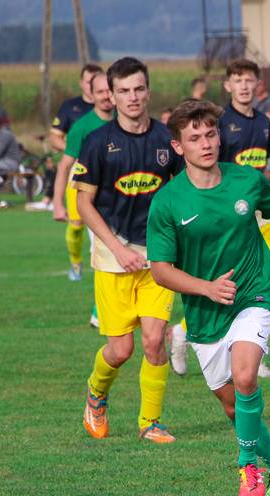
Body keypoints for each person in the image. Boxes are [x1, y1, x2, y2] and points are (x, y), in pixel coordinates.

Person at [147, 99, 270, 496]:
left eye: (211, 134)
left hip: (253, 291)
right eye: (195, 138)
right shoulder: (168, 201)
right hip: (205, 312)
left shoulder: (246, 180)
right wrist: (206, 288)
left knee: (246, 377)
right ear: (178, 147)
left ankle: (247, 465)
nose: (206, 143)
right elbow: (160, 270)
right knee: (233, 407)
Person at [72, 57, 184, 444]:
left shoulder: (166, 139)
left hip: (158, 256)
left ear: (148, 91)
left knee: (154, 340)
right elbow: (84, 203)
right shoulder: (97, 142)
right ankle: (96, 393)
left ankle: (150, 422)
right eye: (123, 91)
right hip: (113, 257)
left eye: (138, 89)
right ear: (112, 96)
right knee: (120, 350)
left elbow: (181, 192)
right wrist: (118, 249)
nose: (132, 97)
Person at [167, 58, 270, 379]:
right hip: (226, 221)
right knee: (229, 286)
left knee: (263, 284)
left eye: (249, 80)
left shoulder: (264, 123)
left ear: (257, 84)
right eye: (238, 80)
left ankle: (253, 355)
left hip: (259, 216)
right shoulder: (219, 124)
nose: (244, 86)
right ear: (228, 86)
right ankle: (184, 332)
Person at [52, 70, 115, 284]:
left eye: (108, 91)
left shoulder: (126, 121)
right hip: (86, 191)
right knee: (85, 234)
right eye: (100, 92)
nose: (106, 96)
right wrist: (57, 203)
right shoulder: (82, 127)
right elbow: (64, 166)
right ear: (91, 94)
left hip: (120, 194)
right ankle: (76, 263)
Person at [49, 63, 102, 153]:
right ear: (81, 83)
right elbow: (54, 138)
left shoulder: (113, 107)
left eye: (96, 82)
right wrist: (75, 152)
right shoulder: (69, 106)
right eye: (89, 82)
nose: (92, 86)